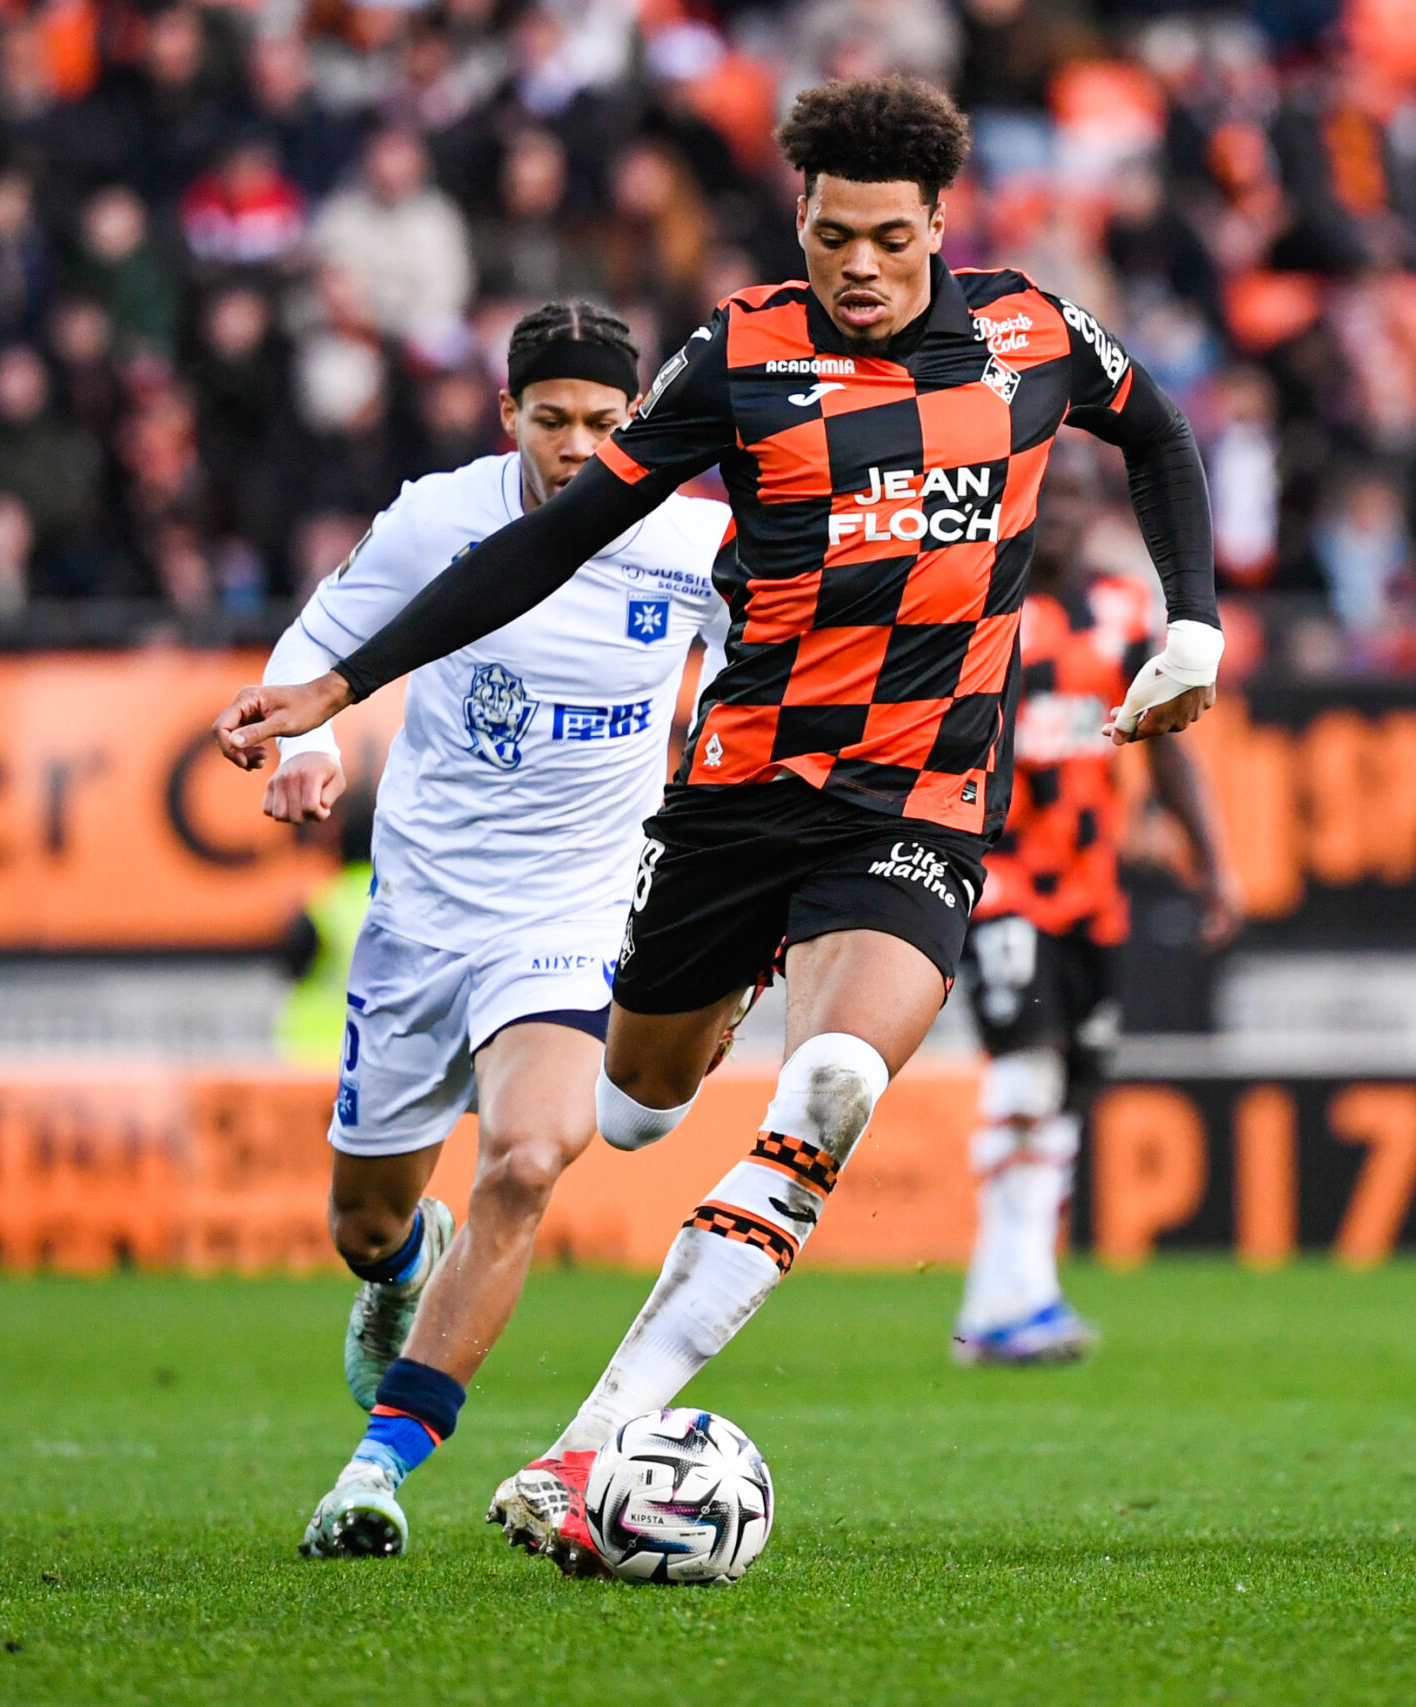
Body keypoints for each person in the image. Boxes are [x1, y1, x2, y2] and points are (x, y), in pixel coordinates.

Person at [213, 75, 1222, 1576]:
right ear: (797, 224)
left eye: (888, 237)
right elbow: (556, 537)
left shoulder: (1031, 333)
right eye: (831, 239)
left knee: (823, 1089)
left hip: (915, 806)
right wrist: (343, 685)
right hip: (734, 807)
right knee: (637, 1099)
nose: (860, 268)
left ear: (941, 222)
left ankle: (584, 1444)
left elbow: (1160, 435)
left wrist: (1193, 624)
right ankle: (647, 1075)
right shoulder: (743, 355)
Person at [225, 301, 729, 1560]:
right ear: (506, 414)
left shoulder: (695, 538)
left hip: (572, 911)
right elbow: (322, 642)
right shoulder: (439, 517)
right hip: (425, 910)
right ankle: (402, 1271)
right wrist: (312, 738)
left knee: (529, 1157)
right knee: (362, 1227)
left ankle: (376, 1470)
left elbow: (756, 675)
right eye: (550, 420)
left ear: (641, 423)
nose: (575, 446)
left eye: (604, 424)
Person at [954, 447, 1240, 1365]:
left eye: (1077, 495)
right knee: (1026, 1073)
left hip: (1092, 891)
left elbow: (1167, 745)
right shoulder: (982, 609)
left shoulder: (1123, 613)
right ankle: (1014, 1298)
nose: (1064, 512)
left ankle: (1006, 1296)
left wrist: (1215, 864)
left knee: (1070, 1087)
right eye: (1048, 495)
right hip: (999, 880)